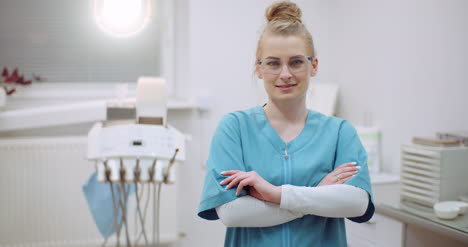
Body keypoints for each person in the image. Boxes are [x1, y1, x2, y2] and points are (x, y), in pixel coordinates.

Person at [198, 1, 374, 246]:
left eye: (296, 62)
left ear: (313, 66)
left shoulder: (339, 132)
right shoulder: (234, 128)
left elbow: (356, 202)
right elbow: (232, 212)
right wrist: (318, 195)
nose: (285, 74)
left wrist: (275, 194)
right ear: (258, 69)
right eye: (272, 63)